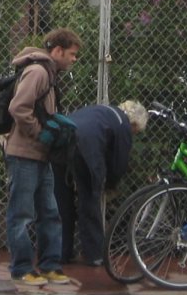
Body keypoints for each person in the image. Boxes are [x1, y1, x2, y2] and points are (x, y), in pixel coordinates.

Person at [3, 27, 81, 286]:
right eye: (71, 54)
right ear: (57, 50)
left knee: (49, 212)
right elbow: (18, 107)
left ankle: (50, 265)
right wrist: (40, 132)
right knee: (22, 214)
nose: (74, 59)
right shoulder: (38, 72)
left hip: (40, 155)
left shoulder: (49, 74)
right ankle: (22, 268)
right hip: (24, 154)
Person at [53, 99, 149, 266]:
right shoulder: (123, 125)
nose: (134, 134)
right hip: (86, 148)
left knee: (62, 200)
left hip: (60, 141)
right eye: (136, 131)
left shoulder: (103, 110)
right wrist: (110, 185)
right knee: (89, 200)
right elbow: (119, 162)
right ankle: (94, 255)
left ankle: (61, 251)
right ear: (134, 123)